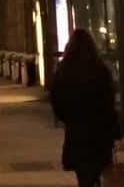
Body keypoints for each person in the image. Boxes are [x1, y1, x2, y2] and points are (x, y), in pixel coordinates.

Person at [51, 29, 120, 187]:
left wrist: (68, 117)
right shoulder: (100, 69)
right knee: (98, 173)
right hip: (99, 134)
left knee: (84, 176)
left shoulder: (64, 70)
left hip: (77, 133)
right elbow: (109, 103)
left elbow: (56, 100)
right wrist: (115, 132)